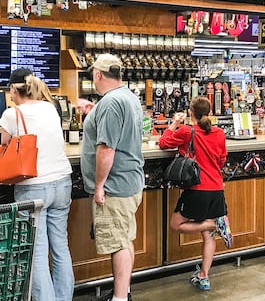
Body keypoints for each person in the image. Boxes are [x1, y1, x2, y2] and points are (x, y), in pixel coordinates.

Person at [0, 68, 74, 301]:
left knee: (38, 252)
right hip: (62, 182)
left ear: (13, 89)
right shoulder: (51, 108)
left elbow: (2, 149)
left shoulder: (12, 114)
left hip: (33, 186)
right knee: (60, 247)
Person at [77, 54, 144, 301]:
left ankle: (118, 298)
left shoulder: (110, 103)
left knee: (117, 244)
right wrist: (94, 112)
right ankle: (123, 291)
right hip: (130, 180)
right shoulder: (127, 96)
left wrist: (99, 187)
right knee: (124, 239)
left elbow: (106, 148)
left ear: (97, 75)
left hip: (114, 186)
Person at [159, 96, 232, 292]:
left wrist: (174, 123)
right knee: (208, 237)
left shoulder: (186, 131)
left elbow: (163, 143)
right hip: (216, 188)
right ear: (209, 112)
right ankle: (204, 276)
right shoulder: (219, 133)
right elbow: (222, 159)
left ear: (191, 113)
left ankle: (214, 223)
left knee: (176, 224)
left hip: (196, 189)